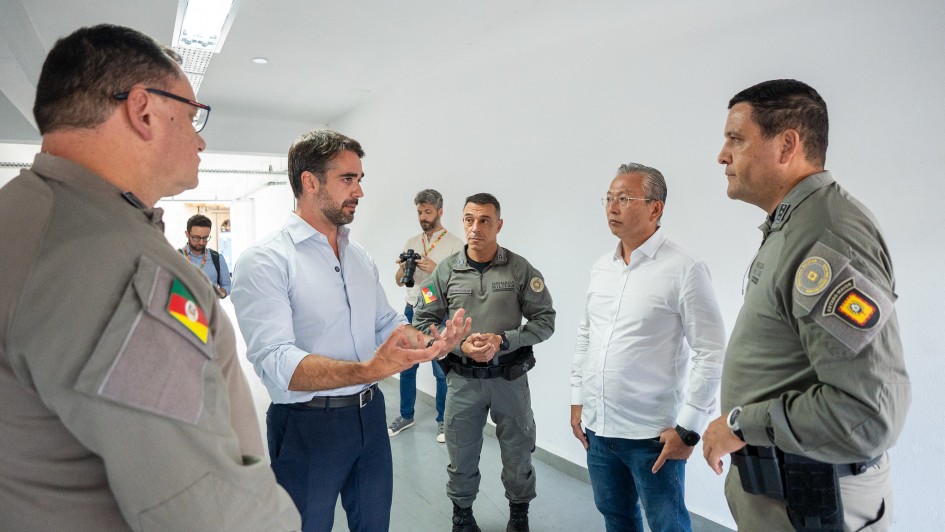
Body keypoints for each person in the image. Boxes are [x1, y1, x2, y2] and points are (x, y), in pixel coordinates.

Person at [0, 24, 301, 530]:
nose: (200, 138)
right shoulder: (112, 264)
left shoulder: (24, 214)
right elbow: (207, 509)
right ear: (143, 110)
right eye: (191, 115)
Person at [231, 129, 471, 532]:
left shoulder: (358, 256)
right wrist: (368, 370)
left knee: (374, 524)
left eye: (360, 179)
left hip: (370, 419)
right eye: (348, 179)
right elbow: (275, 361)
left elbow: (385, 322)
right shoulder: (266, 261)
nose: (359, 191)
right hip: (307, 426)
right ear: (310, 182)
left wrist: (429, 343)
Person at [701, 79, 911, 531]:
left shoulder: (827, 237)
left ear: (787, 144)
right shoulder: (795, 224)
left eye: (735, 139)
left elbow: (868, 415)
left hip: (814, 502)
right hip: (787, 494)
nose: (722, 155)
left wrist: (740, 424)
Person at [570, 164, 726, 532]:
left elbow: (711, 351)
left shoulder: (684, 269)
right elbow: (585, 334)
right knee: (617, 517)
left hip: (653, 438)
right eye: (609, 198)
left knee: (667, 524)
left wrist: (688, 429)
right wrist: (578, 397)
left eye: (624, 199)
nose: (611, 208)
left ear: (656, 209)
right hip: (599, 430)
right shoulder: (600, 268)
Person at [413, 193, 556, 532]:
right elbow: (421, 321)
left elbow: (545, 321)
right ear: (461, 221)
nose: (475, 228)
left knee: (518, 455)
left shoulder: (520, 269)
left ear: (499, 225)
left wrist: (503, 340)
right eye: (468, 220)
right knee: (461, 456)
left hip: (509, 379)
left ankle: (518, 515)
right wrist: (458, 344)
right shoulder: (444, 271)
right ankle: (462, 516)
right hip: (462, 381)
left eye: (484, 221)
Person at [389, 188, 465, 442]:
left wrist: (435, 269)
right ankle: (405, 415)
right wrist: (402, 269)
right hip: (412, 310)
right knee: (406, 365)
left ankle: (443, 421)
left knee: (440, 370)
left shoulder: (455, 244)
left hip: (437, 314)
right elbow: (399, 282)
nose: (423, 216)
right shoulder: (412, 243)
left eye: (428, 211)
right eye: (420, 212)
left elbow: (461, 283)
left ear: (440, 212)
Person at [180, 213, 232, 298]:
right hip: (183, 309)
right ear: (187, 234)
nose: (201, 242)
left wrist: (218, 293)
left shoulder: (217, 258)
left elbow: (227, 285)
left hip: (210, 309)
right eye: (196, 237)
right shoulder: (176, 257)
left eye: (205, 238)